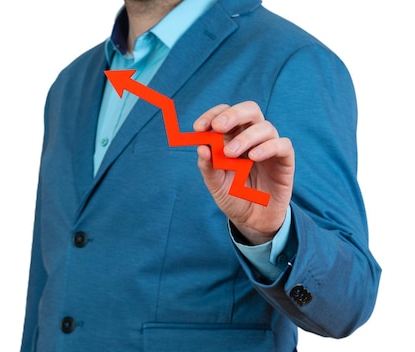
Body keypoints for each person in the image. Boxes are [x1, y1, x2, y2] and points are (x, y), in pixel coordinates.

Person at [20, 0, 381, 351]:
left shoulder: (293, 62)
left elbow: (349, 302)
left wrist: (272, 233)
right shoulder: (68, 85)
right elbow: (48, 282)